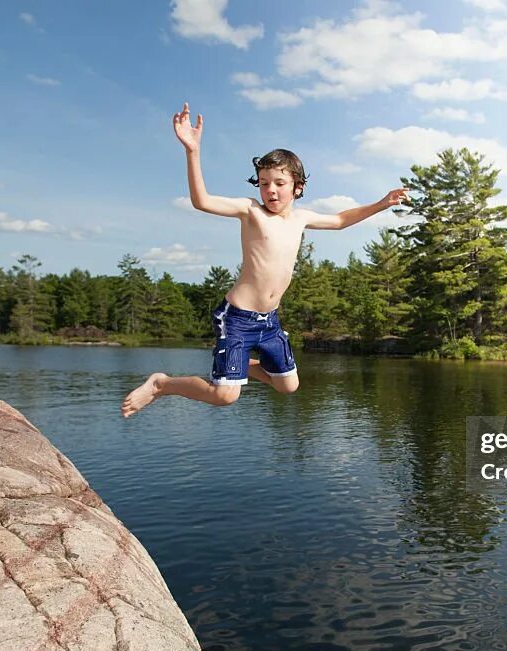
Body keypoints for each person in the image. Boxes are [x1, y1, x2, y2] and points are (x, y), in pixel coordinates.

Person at [121, 103, 407, 417]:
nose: (270, 190)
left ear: (298, 187)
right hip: (237, 318)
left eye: (279, 183)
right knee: (225, 396)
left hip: (270, 321)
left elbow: (340, 219)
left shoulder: (302, 218)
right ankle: (163, 384)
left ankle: (238, 363)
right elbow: (201, 201)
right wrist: (193, 151)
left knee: (288, 386)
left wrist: (381, 203)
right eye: (264, 183)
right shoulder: (251, 211)